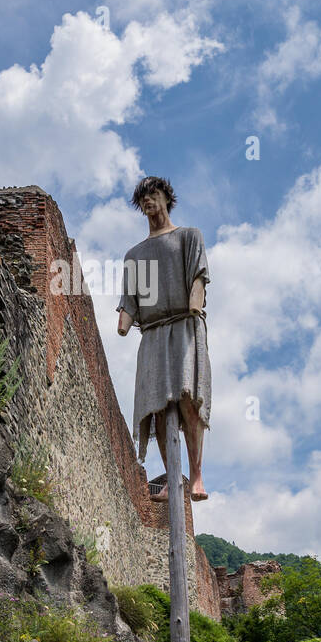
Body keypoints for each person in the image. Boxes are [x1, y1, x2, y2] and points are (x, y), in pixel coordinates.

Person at [116, 176, 211, 502]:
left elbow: (198, 274)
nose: (148, 202)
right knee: (157, 409)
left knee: (187, 400)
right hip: (153, 333)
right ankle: (174, 479)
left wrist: (195, 300)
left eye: (153, 195)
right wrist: (124, 322)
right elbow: (130, 299)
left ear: (166, 198)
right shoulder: (135, 254)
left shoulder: (188, 236)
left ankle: (196, 474)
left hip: (184, 325)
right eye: (143, 198)